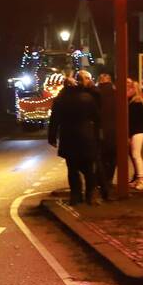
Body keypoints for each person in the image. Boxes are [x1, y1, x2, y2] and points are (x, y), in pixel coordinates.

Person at [49, 73, 102, 205]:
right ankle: (91, 195)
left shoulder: (60, 99)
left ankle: (76, 196)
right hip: (86, 136)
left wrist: (52, 137)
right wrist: (97, 134)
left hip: (68, 136)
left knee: (72, 168)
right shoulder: (87, 97)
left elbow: (54, 120)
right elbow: (97, 117)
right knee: (89, 168)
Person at [95, 73, 117, 200]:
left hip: (101, 130)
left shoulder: (96, 93)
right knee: (113, 157)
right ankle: (109, 179)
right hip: (115, 130)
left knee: (101, 158)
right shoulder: (116, 94)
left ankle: (101, 181)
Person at [125, 78, 143, 190]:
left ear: (135, 90)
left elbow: (133, 121)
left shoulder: (136, 103)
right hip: (137, 131)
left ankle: (141, 179)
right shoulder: (133, 102)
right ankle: (137, 178)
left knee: (135, 155)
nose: (127, 90)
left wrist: (128, 135)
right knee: (133, 155)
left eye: (130, 88)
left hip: (137, 131)